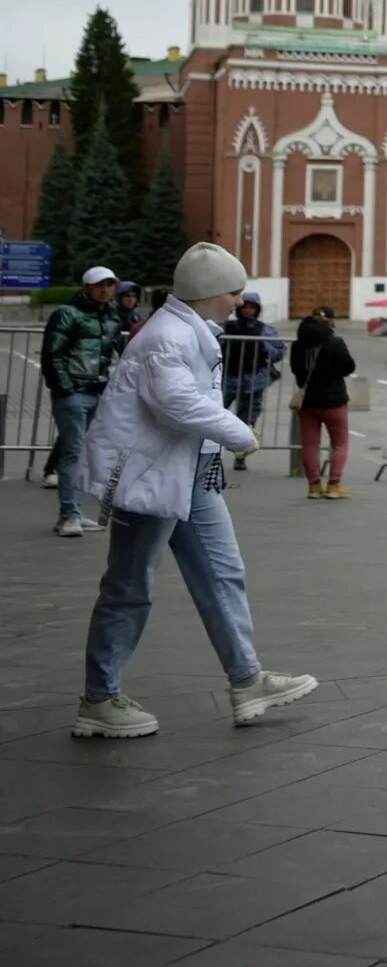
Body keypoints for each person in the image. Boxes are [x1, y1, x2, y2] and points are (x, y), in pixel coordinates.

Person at [72, 242, 318, 739]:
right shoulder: (168, 335)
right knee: (130, 586)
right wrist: (240, 432)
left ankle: (247, 678)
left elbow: (180, 404)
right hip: (152, 478)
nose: (238, 300)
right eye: (233, 291)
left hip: (184, 472)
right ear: (211, 292)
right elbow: (176, 403)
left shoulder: (184, 330)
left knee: (222, 572)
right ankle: (99, 699)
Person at [41, 265, 123, 536]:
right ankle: (68, 515)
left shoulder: (111, 316)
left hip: (97, 391)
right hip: (74, 393)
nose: (105, 289)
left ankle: (74, 511)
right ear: (86, 287)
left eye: (110, 284)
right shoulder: (67, 314)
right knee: (73, 451)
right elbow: (52, 354)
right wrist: (66, 388)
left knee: (84, 453)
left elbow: (119, 350)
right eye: (100, 284)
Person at [289, 307, 356, 499]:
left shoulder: (297, 346)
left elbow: (296, 370)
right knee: (340, 444)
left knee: (310, 444)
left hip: (308, 402)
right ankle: (334, 485)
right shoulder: (335, 342)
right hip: (334, 401)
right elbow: (348, 367)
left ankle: (314, 486)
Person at [218, 292, 285, 438]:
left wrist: (264, 347)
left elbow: (279, 352)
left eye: (251, 307)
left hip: (253, 381)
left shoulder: (265, 330)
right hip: (227, 379)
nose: (248, 310)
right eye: (245, 307)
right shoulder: (226, 327)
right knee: (216, 416)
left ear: (257, 310)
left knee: (247, 421)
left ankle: (241, 457)